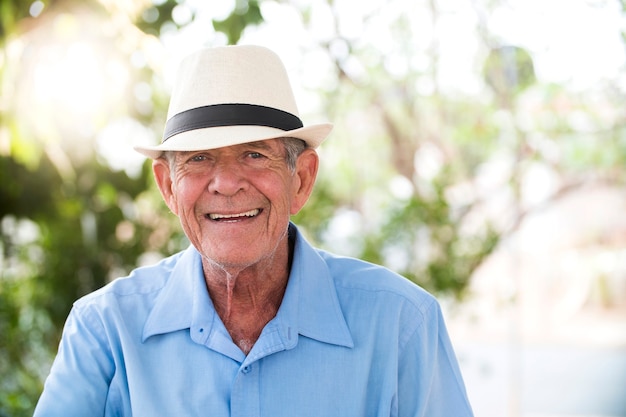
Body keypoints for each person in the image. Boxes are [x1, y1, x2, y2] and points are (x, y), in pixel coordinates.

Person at [34, 45, 474, 417]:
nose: (226, 183)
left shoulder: (401, 324)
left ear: (301, 179)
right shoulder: (105, 329)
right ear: (169, 186)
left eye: (254, 155)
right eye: (199, 158)